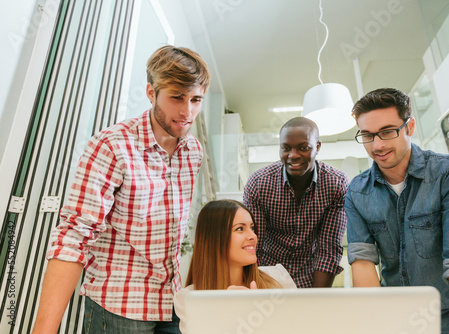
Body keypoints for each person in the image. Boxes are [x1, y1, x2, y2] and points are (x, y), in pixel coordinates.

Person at [32, 45, 210, 334]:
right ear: (152, 93)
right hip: (118, 308)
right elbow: (73, 237)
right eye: (177, 97)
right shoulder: (112, 146)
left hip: (171, 303)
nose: (187, 111)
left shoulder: (193, 151)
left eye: (196, 99)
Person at [345, 88, 449, 334]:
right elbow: (363, 265)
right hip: (399, 324)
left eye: (387, 132)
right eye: (367, 135)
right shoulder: (357, 192)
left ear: (410, 126)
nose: (378, 145)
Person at [243, 117, 349, 288]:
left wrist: (315, 299)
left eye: (303, 148)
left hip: (312, 276)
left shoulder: (335, 183)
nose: (293, 155)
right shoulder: (259, 183)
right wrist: (257, 289)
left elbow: (328, 249)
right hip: (267, 274)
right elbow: (254, 246)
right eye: (286, 148)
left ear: (318, 147)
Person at [174, 199, 296, 333]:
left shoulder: (279, 278)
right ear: (214, 239)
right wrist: (228, 313)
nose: (253, 236)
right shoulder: (188, 299)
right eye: (240, 229)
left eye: (252, 228)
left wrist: (259, 314)